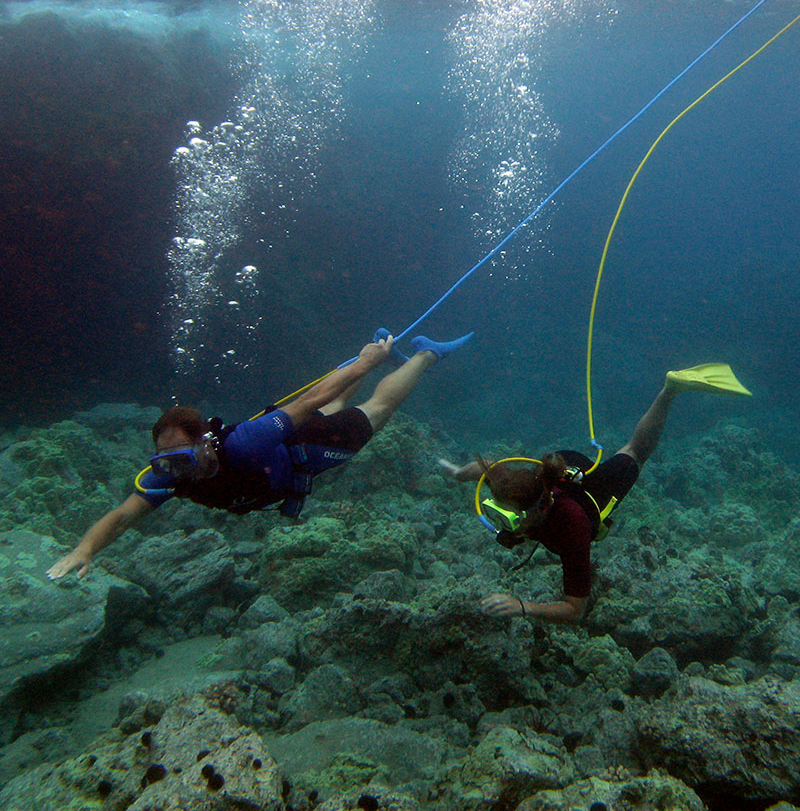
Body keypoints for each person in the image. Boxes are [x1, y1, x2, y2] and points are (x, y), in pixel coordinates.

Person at [47, 329, 472, 580]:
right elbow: (121, 517)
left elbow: (309, 400)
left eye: (184, 459)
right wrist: (86, 550)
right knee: (332, 408)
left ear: (206, 445)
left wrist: (365, 364)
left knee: (375, 411)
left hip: (306, 450)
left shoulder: (243, 443)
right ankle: (384, 343)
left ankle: (425, 352)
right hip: (283, 447)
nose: (179, 471)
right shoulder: (172, 476)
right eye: (167, 462)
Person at [440, 363, 751, 625]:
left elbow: (575, 610)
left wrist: (524, 607)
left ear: (538, 510)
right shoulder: (519, 485)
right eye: (496, 510)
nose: (501, 522)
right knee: (622, 454)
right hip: (559, 466)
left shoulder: (571, 526)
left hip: (591, 490)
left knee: (634, 452)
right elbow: (487, 468)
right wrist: (457, 474)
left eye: (507, 517)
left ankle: (669, 390)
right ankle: (667, 392)